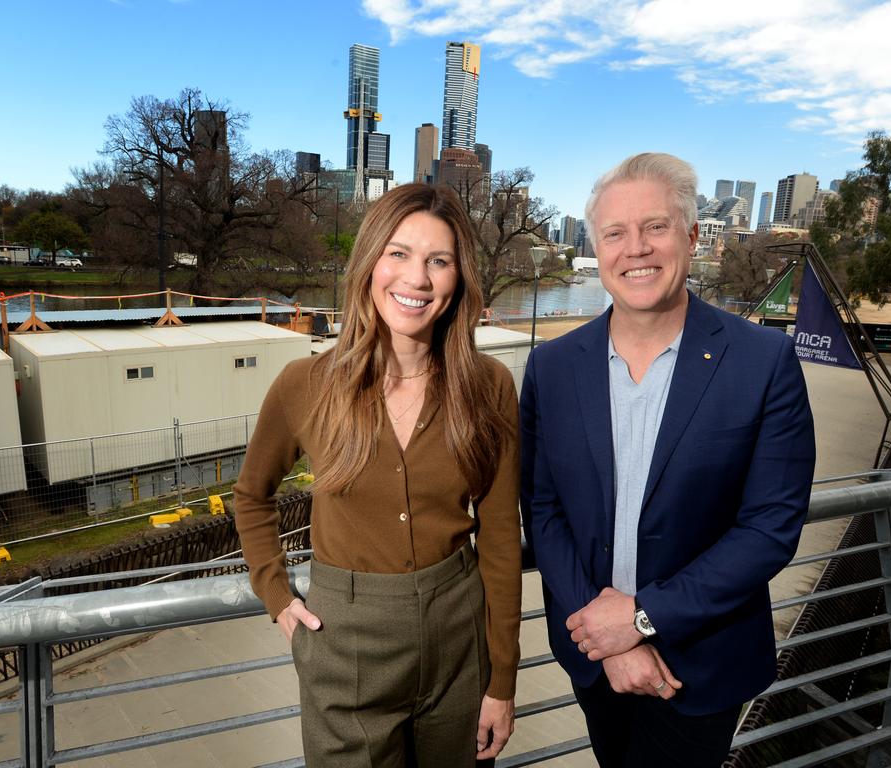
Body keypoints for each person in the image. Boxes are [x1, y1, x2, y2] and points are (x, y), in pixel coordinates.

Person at [520, 153, 815, 767]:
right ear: (596, 247)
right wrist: (601, 634)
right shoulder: (552, 366)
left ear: (691, 235)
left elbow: (769, 529)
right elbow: (543, 510)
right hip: (593, 656)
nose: (636, 249)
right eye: (615, 233)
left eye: (654, 227)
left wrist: (642, 620)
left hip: (701, 664)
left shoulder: (762, 361)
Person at [234, 183, 522, 767]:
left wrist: (503, 681)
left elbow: (497, 537)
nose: (416, 279)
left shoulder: (489, 386)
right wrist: (276, 595)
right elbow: (251, 497)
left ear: (458, 278)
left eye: (438, 261)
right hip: (346, 646)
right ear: (369, 264)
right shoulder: (304, 385)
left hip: (457, 643)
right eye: (398, 253)